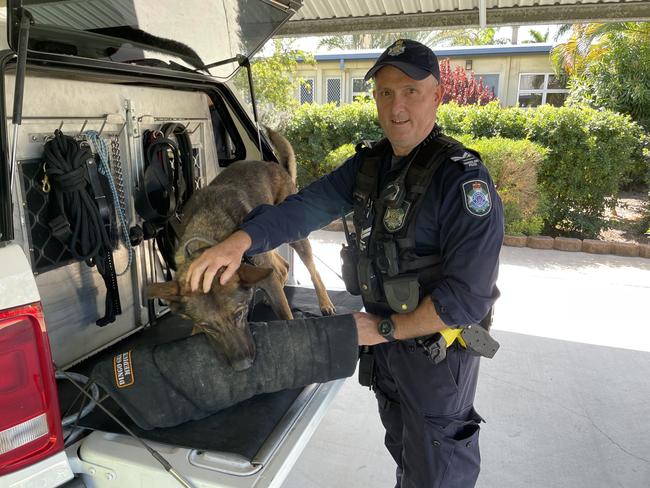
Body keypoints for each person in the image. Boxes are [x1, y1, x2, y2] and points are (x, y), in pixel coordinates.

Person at [186, 39, 504, 488]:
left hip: (436, 355)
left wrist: (384, 329)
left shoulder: (463, 181)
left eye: (411, 91)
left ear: (437, 95)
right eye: (385, 92)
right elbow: (300, 209)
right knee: (405, 453)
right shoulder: (369, 167)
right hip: (387, 348)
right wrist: (237, 243)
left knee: (439, 469)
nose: (397, 107)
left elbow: (467, 298)